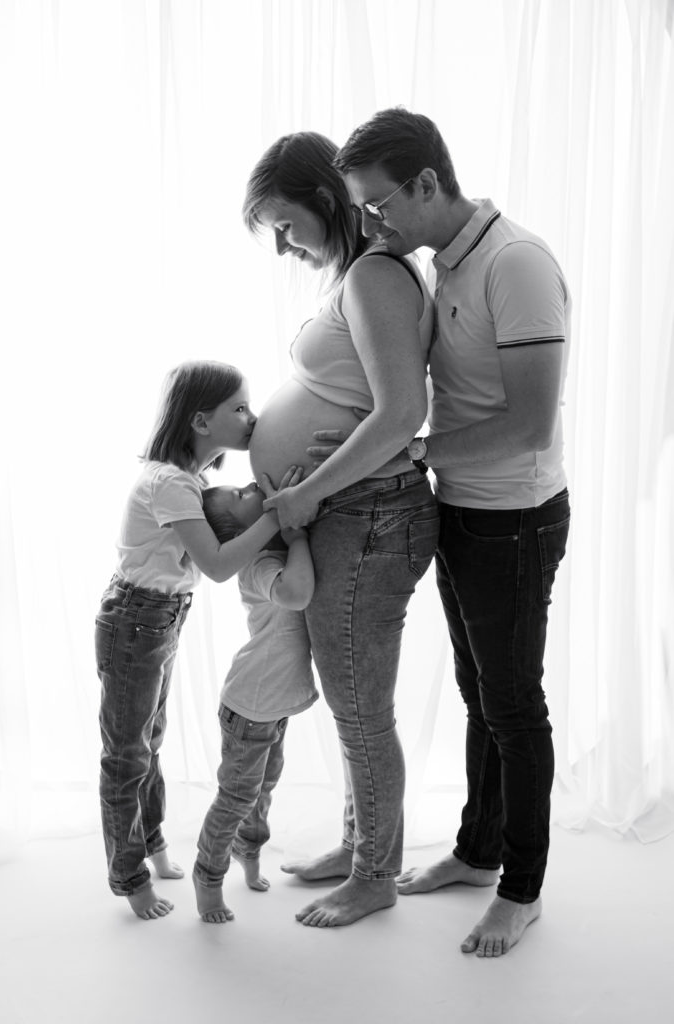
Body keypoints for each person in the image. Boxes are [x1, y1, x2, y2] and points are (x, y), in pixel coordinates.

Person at [332, 107, 572, 957]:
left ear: (427, 183)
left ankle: (521, 887)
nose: (369, 223)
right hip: (465, 512)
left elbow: (531, 425)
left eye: (377, 204)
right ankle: (476, 852)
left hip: (514, 519)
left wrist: (416, 448)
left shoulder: (515, 263)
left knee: (512, 705)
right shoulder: (445, 265)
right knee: (480, 696)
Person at [243, 131, 440, 927]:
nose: (283, 245)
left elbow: (402, 412)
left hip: (369, 515)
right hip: (351, 513)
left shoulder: (372, 275)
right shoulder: (352, 276)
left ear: (326, 199)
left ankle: (375, 874)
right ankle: (363, 841)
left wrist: (304, 493)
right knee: (350, 694)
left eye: (286, 224)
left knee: (361, 705)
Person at [95, 360, 300, 920]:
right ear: (201, 421)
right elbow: (215, 565)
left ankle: (154, 842)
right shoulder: (170, 483)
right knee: (127, 752)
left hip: (158, 617)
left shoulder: (193, 483)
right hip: (136, 619)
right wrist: (279, 514)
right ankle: (129, 875)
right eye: (239, 408)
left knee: (149, 739)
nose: (251, 418)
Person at [192, 480, 316, 923]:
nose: (249, 485)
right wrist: (298, 535)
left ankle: (248, 851)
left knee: (263, 788)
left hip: (270, 704)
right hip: (250, 705)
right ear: (239, 534)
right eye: (241, 498)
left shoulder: (274, 553)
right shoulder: (261, 564)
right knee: (237, 797)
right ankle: (207, 876)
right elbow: (297, 594)